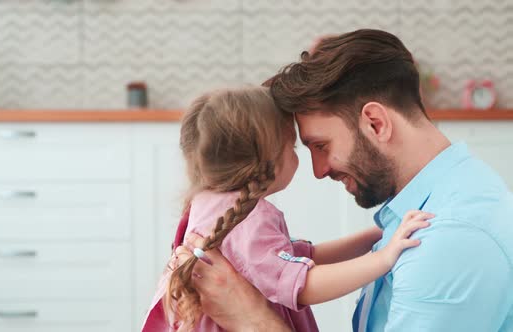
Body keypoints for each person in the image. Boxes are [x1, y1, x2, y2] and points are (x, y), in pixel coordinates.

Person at [172, 29, 513, 331]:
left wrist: (253, 321)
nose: (318, 171)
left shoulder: (449, 243)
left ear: (376, 123)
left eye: (321, 146)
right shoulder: (437, 205)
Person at [141, 86, 432, 331]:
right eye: (292, 147)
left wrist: (374, 236)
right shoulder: (251, 218)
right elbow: (303, 284)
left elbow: (305, 257)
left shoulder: (209, 204)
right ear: (265, 160)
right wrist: (384, 258)